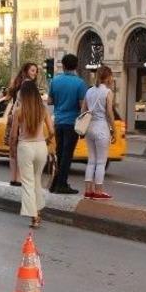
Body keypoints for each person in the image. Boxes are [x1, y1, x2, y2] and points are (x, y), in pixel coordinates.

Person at [9, 80, 54, 227]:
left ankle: (34, 216)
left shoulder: (19, 110)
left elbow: (13, 135)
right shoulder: (43, 108)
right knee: (37, 180)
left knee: (28, 182)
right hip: (41, 146)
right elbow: (52, 131)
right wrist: (46, 140)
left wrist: (12, 150)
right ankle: (38, 212)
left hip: (25, 147)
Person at [49, 54, 88, 194]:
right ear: (76, 66)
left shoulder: (55, 81)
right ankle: (62, 184)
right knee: (67, 155)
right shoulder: (80, 83)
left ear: (63, 66)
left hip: (58, 121)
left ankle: (55, 182)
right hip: (72, 123)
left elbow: (49, 101)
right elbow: (82, 106)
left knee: (59, 153)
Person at [82, 65, 116, 199]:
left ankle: (87, 190)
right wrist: (113, 129)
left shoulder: (89, 91)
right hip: (102, 127)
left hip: (89, 127)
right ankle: (98, 191)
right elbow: (109, 112)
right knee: (101, 162)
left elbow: (83, 110)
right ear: (107, 77)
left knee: (91, 160)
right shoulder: (107, 92)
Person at [5, 63, 38, 186]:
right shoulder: (28, 85)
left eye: (36, 71)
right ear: (26, 71)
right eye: (33, 70)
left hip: (13, 117)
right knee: (20, 148)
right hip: (22, 118)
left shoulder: (18, 84)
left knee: (13, 149)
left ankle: (13, 178)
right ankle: (18, 178)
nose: (35, 73)